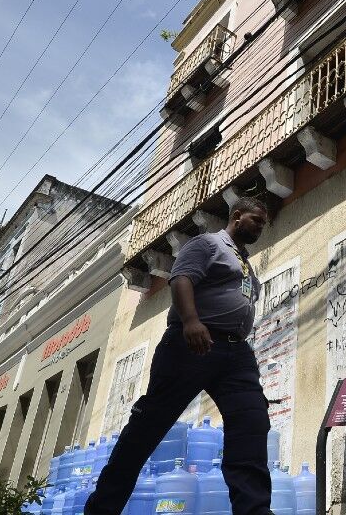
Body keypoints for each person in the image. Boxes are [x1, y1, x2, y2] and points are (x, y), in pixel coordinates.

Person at [85, 196, 274, 515]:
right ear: (237, 216)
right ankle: (102, 508)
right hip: (194, 343)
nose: (261, 226)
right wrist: (190, 321)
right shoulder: (209, 244)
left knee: (251, 421)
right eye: (256, 219)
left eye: (263, 222)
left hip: (235, 352)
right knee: (149, 426)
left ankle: (254, 510)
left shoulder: (244, 261)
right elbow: (181, 277)